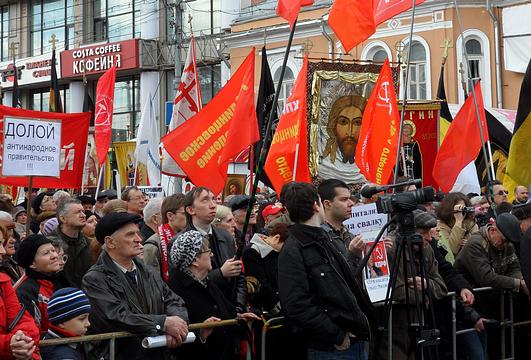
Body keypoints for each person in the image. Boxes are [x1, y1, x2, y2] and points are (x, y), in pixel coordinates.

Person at [278, 182, 374, 359]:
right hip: (330, 348)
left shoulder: (323, 240)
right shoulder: (294, 249)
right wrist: (337, 335)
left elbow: (342, 285)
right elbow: (297, 305)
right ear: (317, 205)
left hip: (353, 340)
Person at [82, 212, 189, 360]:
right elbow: (115, 316)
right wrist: (162, 323)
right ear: (110, 242)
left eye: (138, 233)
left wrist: (176, 324)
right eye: (130, 235)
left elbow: (173, 300)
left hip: (156, 352)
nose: (139, 239)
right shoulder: (94, 279)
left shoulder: (148, 271)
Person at [168, 230, 259, 359]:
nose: (212, 254)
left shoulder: (205, 281)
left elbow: (225, 310)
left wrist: (238, 317)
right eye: (207, 251)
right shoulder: (176, 289)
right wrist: (201, 334)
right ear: (194, 260)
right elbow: (178, 334)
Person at [183, 187, 247, 313]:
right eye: (205, 200)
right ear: (191, 210)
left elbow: (239, 277)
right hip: (204, 317)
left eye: (213, 199)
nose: (213, 205)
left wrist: (239, 307)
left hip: (231, 314)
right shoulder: (181, 242)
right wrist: (221, 274)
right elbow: (185, 285)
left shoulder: (226, 236)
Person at [0, 225, 40, 360]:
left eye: (1, 243)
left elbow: (23, 319)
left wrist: (21, 341)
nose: (2, 251)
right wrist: (7, 344)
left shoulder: (3, 283)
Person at [14, 234, 61, 334]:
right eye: (46, 253)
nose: (54, 256)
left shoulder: (58, 279)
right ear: (32, 264)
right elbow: (32, 332)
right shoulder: (23, 292)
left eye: (53, 250)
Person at [318, 179, 365, 271]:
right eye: (344, 199)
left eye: (350, 198)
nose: (351, 203)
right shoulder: (320, 238)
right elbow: (332, 276)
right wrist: (353, 254)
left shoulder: (349, 234)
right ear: (327, 204)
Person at [47, 199, 93, 288]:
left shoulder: (90, 243)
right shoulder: (50, 245)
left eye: (83, 212)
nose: (83, 215)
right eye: (77, 212)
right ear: (63, 218)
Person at [144, 194, 187, 281]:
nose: (190, 218)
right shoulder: (152, 246)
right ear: (170, 216)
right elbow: (153, 283)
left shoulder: (188, 238)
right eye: (184, 213)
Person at [41, 288, 92, 360]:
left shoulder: (72, 344)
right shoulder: (64, 356)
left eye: (87, 317)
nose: (88, 323)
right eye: (82, 319)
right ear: (61, 322)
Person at [322, 95, 367, 165]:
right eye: (343, 122)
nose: (349, 132)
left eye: (357, 123)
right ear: (334, 126)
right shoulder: (323, 165)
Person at [436, 192, 479, 259]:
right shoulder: (440, 226)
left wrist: (469, 244)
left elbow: (479, 249)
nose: (461, 211)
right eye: (458, 208)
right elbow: (451, 250)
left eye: (463, 208)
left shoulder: (471, 225)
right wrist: (458, 221)